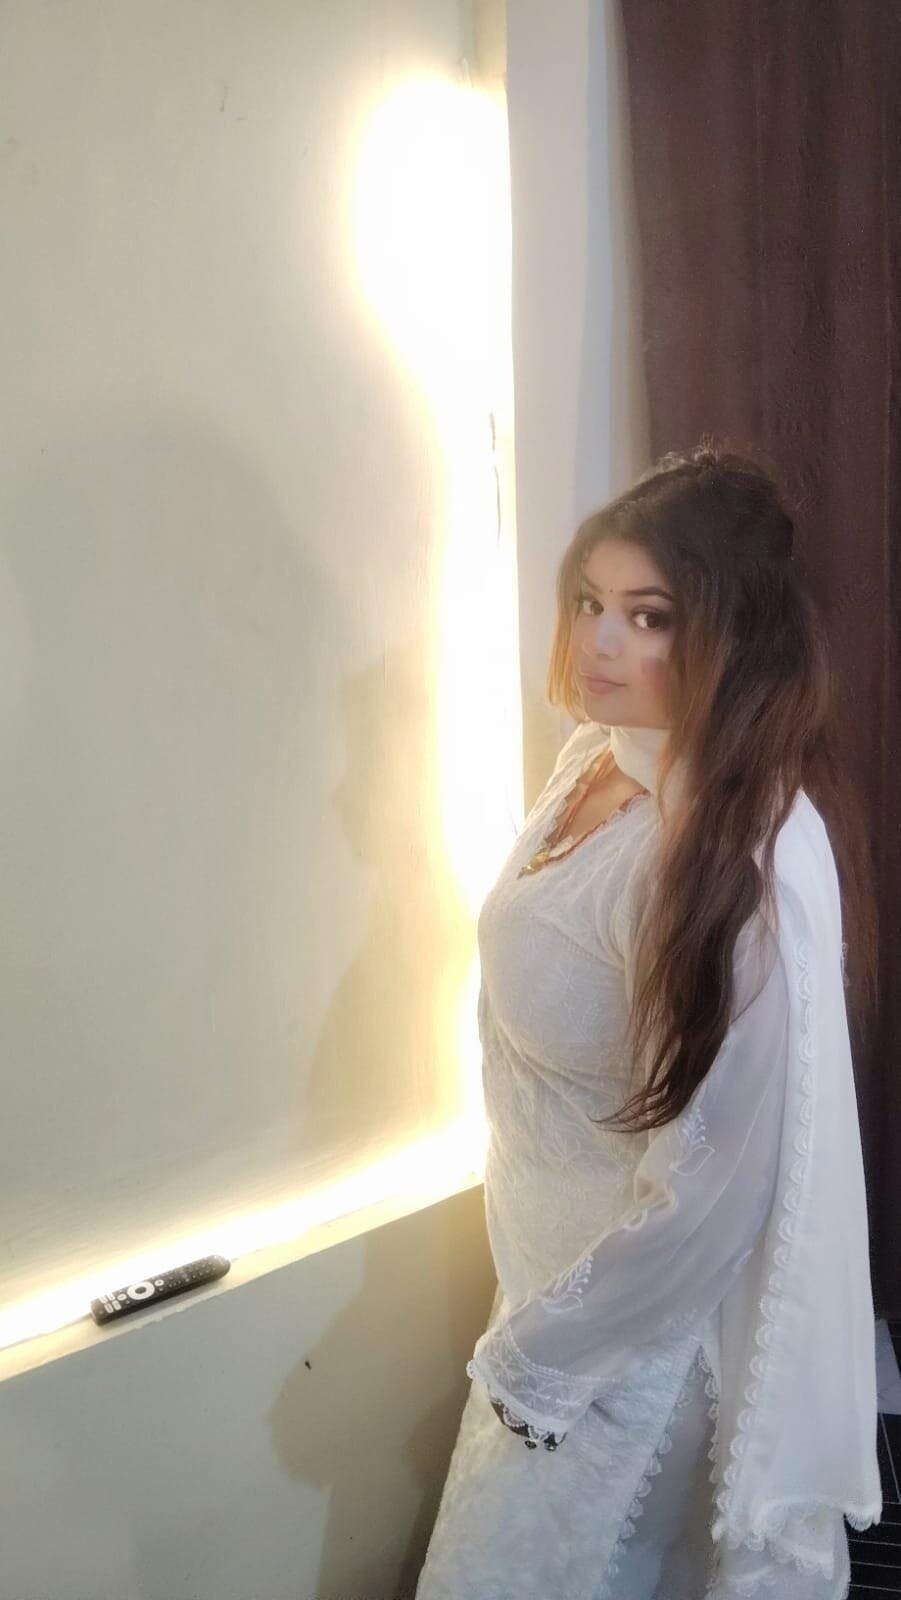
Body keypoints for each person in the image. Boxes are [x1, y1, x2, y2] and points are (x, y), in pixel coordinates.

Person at [414, 442, 882, 1600]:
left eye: (649, 616)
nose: (600, 642)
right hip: (546, 1290)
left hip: (624, 1355)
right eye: (589, 603)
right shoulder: (596, 755)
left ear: (732, 634)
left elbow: (716, 1188)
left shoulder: (729, 865)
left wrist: (540, 1358)